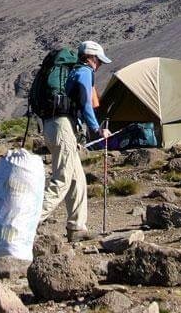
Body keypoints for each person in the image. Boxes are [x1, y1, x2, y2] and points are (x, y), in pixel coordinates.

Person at [39, 41, 112, 242]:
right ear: (92, 58)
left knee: (77, 178)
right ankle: (25, 222)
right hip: (62, 127)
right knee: (62, 179)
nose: (100, 66)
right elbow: (85, 103)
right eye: (100, 62)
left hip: (53, 125)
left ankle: (77, 227)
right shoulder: (84, 71)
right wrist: (97, 129)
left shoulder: (72, 71)